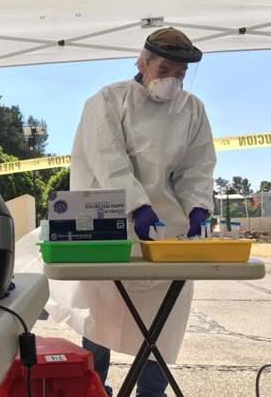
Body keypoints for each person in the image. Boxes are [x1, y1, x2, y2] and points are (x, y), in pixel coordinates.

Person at [68, 27, 216, 396]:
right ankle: (94, 388)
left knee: (162, 323)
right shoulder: (108, 100)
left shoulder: (192, 109)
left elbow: (197, 166)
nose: (172, 80)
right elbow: (107, 159)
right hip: (111, 224)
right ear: (142, 64)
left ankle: (151, 393)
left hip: (168, 233)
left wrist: (198, 206)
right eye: (164, 70)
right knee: (101, 316)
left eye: (180, 73)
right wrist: (137, 205)